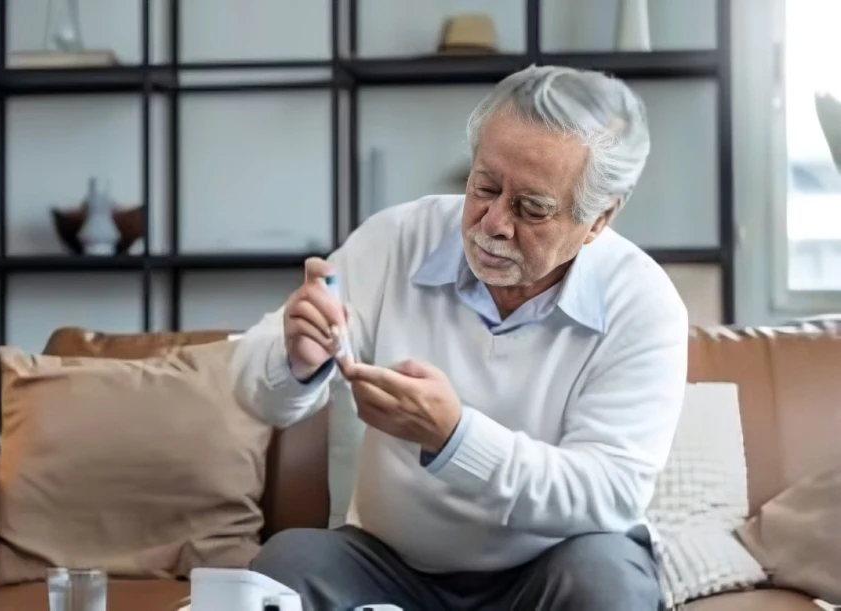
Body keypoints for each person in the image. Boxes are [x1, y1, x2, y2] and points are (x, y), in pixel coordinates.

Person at [229, 64, 689, 611]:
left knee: (605, 582)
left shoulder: (642, 303)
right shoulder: (397, 239)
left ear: (597, 221)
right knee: (286, 569)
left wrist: (454, 439)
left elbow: (608, 495)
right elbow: (256, 392)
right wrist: (295, 358)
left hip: (550, 567)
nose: (492, 222)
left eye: (531, 207)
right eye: (484, 186)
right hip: (388, 565)